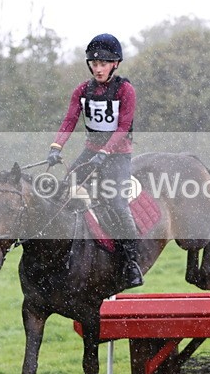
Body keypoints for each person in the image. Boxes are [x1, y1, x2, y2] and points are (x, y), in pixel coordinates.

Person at [46, 33, 143, 289]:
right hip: (91, 151)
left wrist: (107, 151)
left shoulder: (125, 90)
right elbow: (69, 121)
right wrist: (56, 147)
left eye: (104, 64)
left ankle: (132, 262)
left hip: (119, 154)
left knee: (117, 203)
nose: (98, 68)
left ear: (115, 64)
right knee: (63, 193)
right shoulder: (82, 90)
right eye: (94, 64)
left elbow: (123, 128)